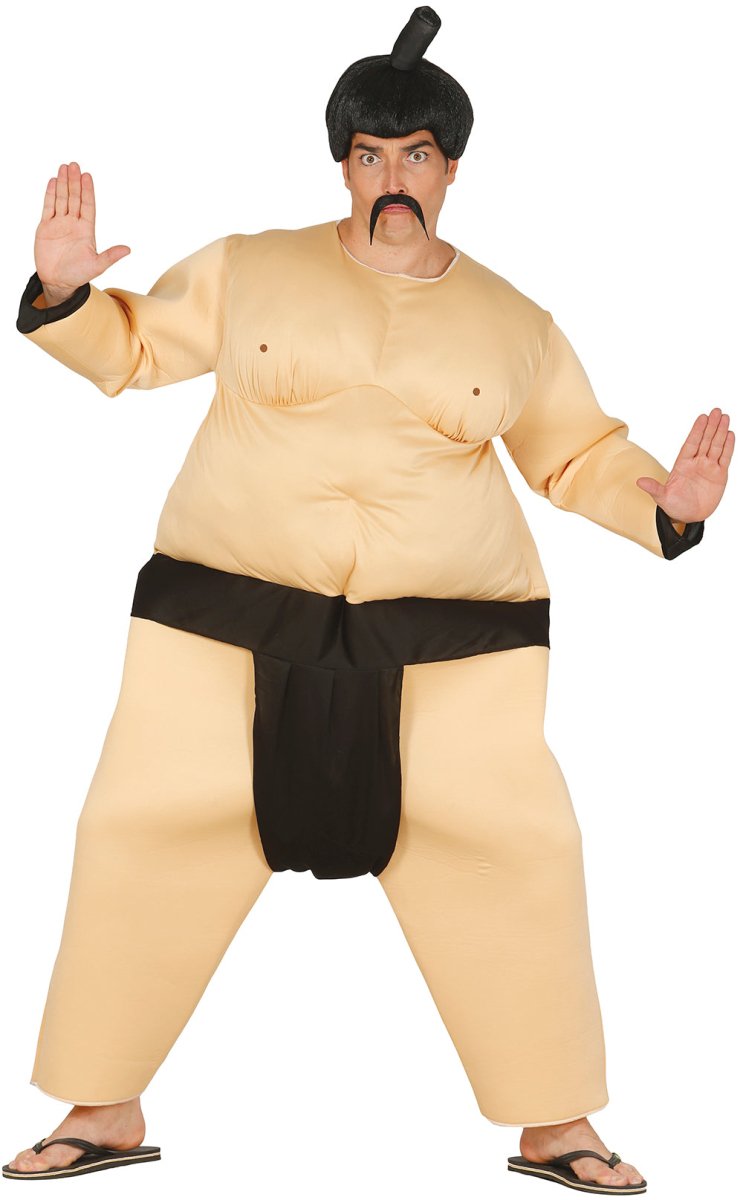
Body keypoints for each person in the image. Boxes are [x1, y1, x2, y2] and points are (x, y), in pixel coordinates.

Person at [4, 6, 733, 1192]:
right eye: (369, 154)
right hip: (222, 622)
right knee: (137, 831)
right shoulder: (250, 267)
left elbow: (576, 455)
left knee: (517, 851)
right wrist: (62, 291)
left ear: (450, 169)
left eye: (415, 155)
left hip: (449, 645)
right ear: (341, 164)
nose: (392, 177)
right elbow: (133, 349)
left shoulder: (514, 323)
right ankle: (103, 1107)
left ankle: (555, 1125)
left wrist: (670, 505)